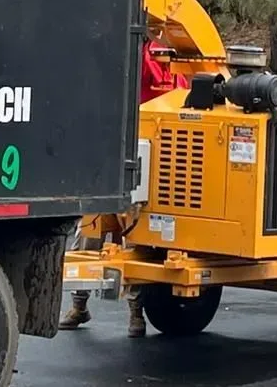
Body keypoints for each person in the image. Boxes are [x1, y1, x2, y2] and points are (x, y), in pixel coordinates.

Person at [58, 37, 189, 337]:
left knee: (134, 238)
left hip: (146, 155)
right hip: (117, 150)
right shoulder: (130, 54)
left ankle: (135, 312)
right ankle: (80, 304)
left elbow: (161, 85)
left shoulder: (156, 55)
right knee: (90, 231)